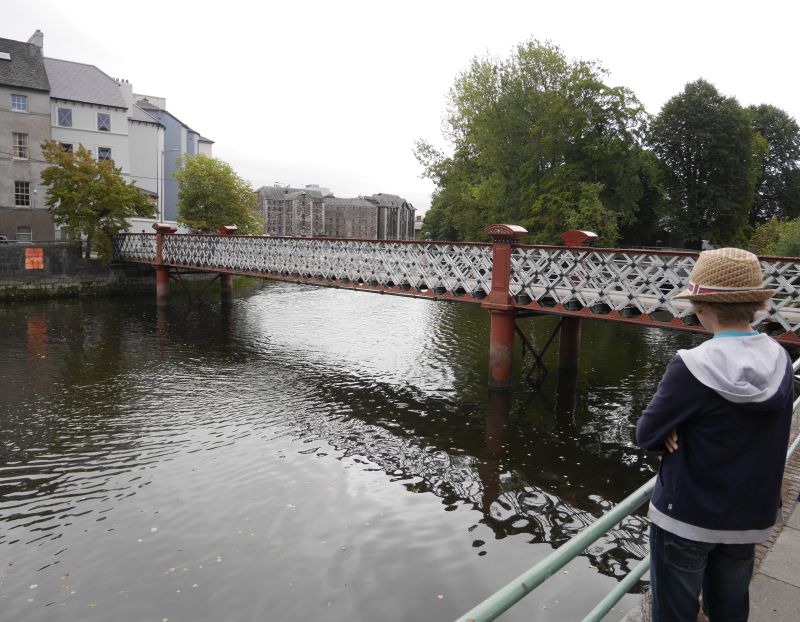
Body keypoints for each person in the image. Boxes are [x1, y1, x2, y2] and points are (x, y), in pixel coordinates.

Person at [636, 247, 794, 622]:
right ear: (755, 306)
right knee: (730, 608)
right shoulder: (781, 359)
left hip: (686, 514)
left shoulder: (692, 365)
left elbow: (647, 434)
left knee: (674, 611)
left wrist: (674, 427)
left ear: (701, 308)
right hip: (748, 517)